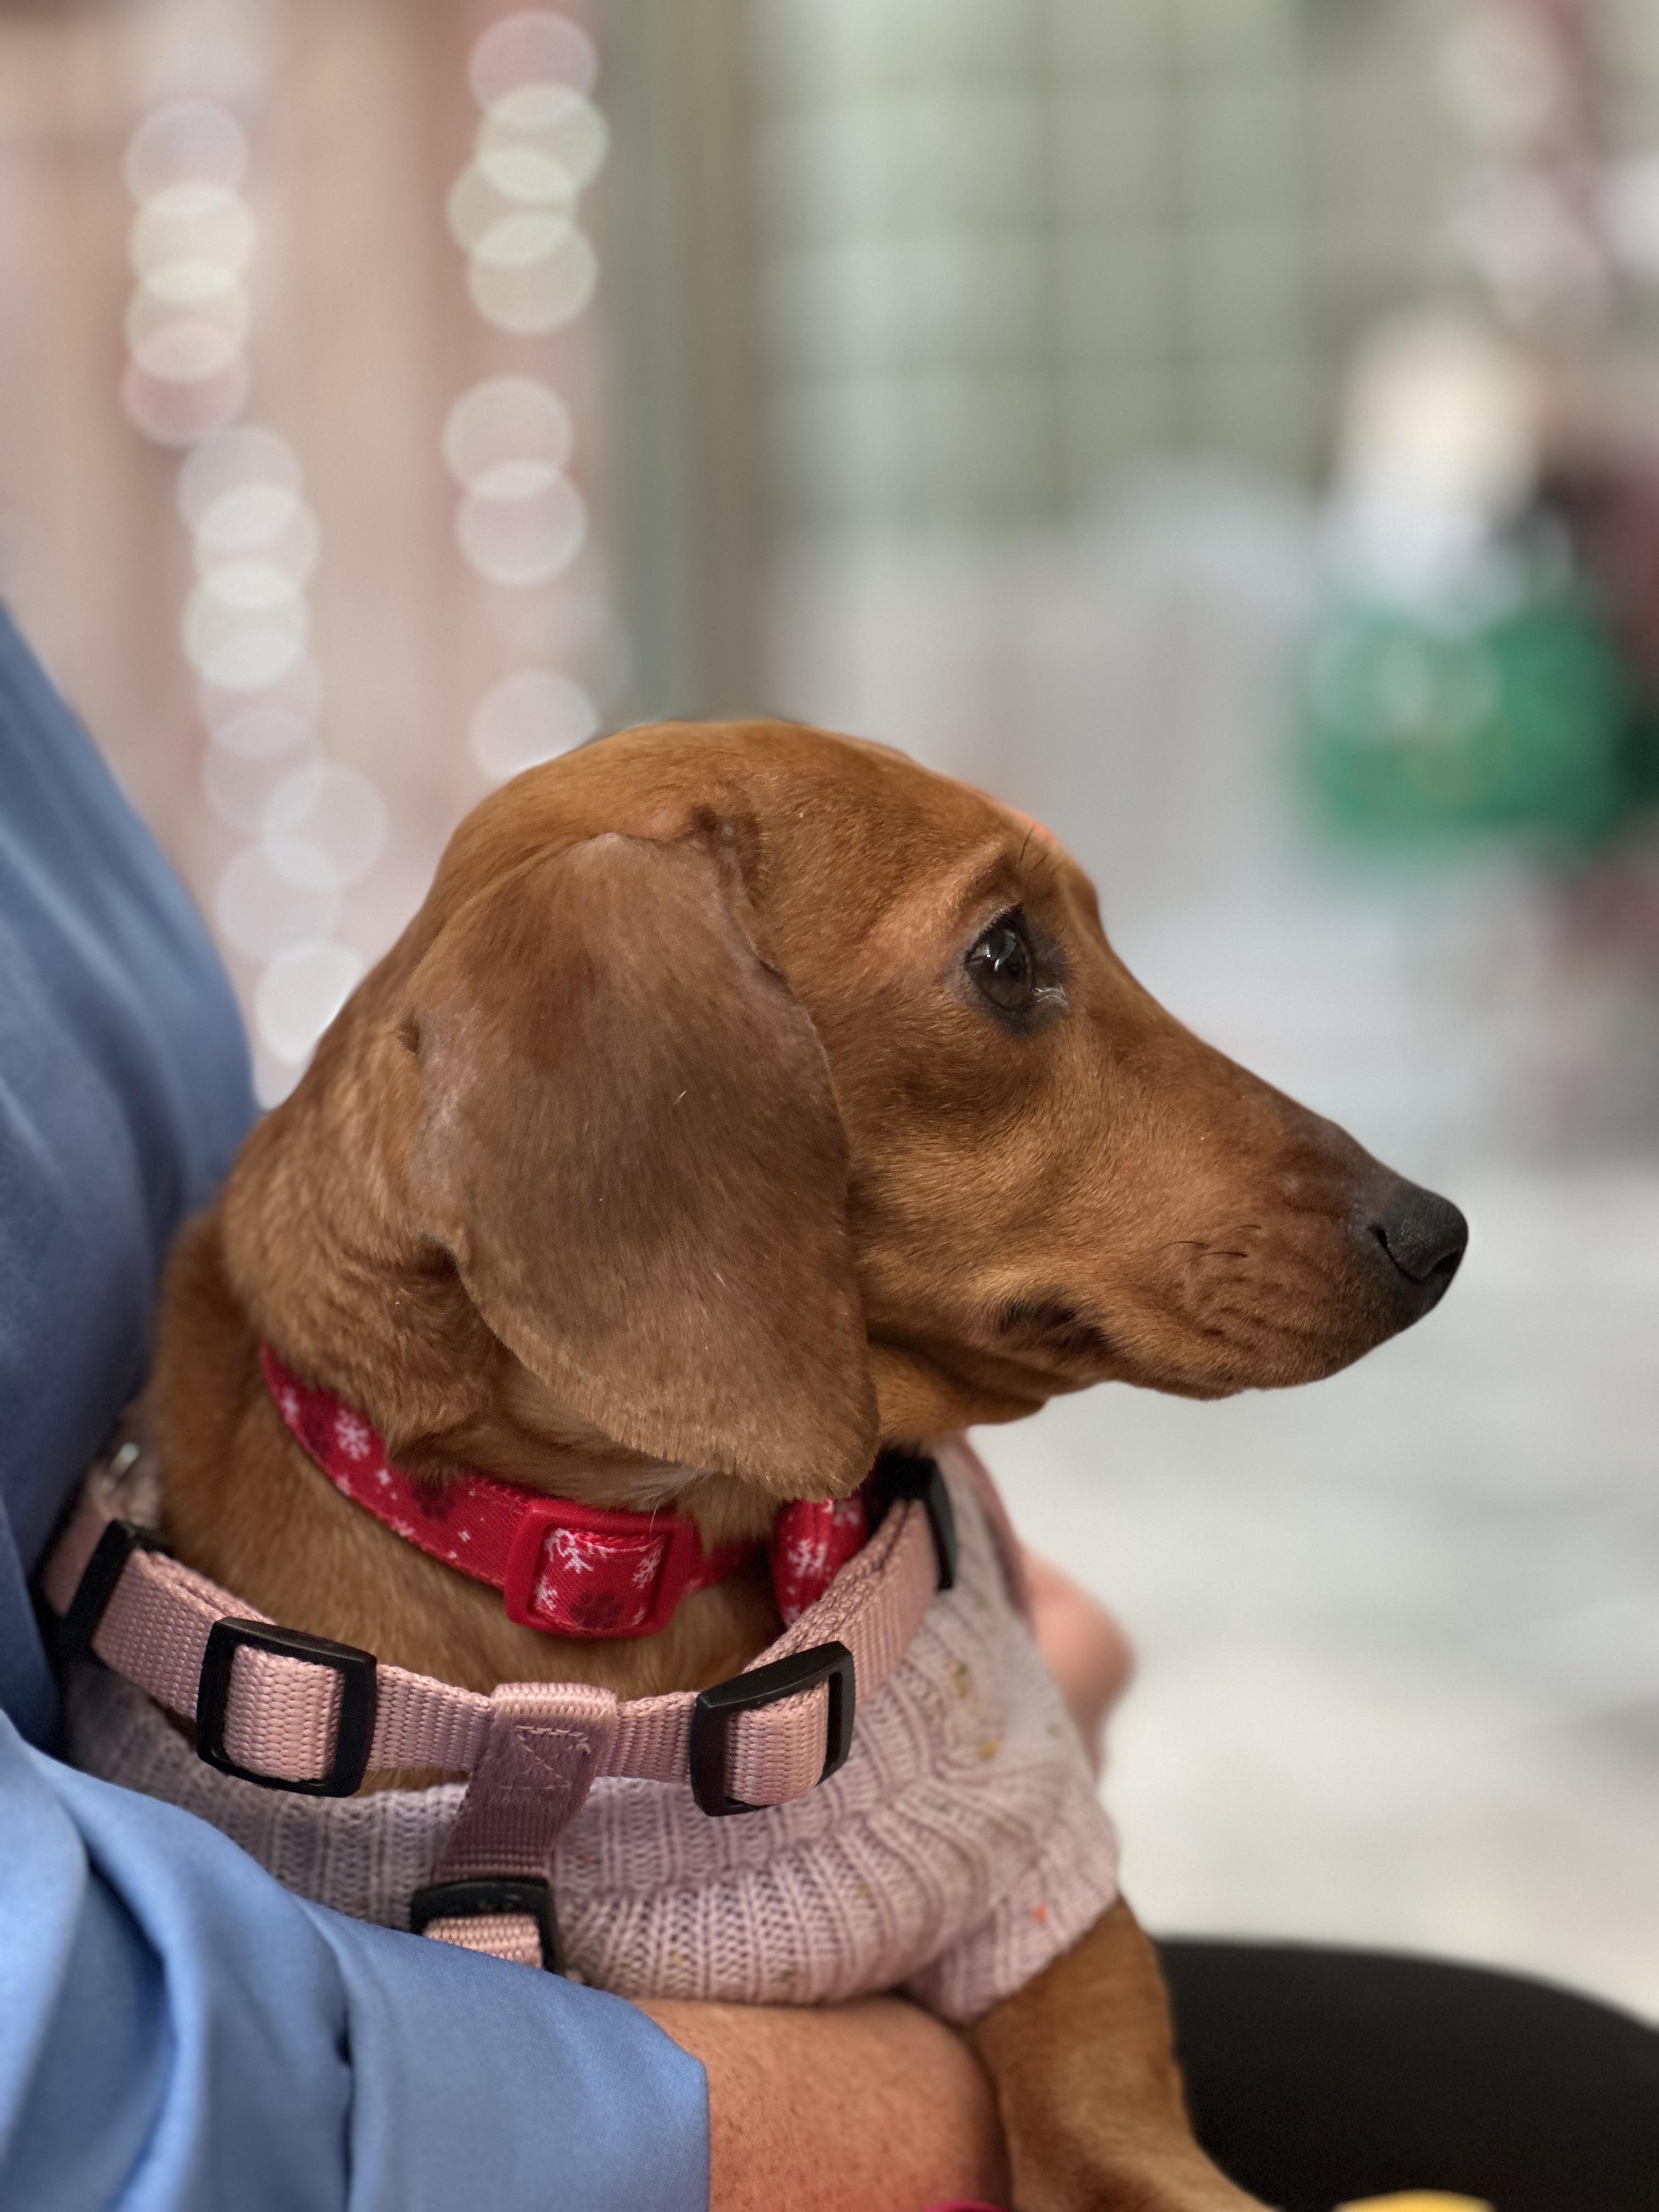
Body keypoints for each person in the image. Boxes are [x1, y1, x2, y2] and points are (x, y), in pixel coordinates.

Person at [4, 602, 1656, 2212]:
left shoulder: (875, 1589)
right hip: (321, 2102)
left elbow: (1036, 1908)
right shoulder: (202, 1727)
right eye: (1006, 965)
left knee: (1580, 2101)